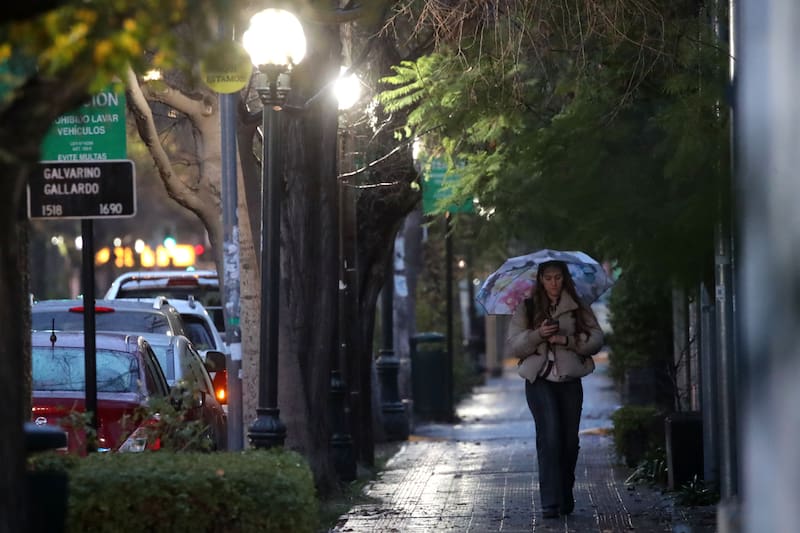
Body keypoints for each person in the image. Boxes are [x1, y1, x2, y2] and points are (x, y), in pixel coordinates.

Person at [505, 260, 604, 518]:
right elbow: (515, 345)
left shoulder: (577, 306)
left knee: (569, 441)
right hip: (539, 381)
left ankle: (565, 492)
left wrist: (567, 340)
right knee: (549, 437)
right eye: (547, 278)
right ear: (540, 280)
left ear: (564, 279)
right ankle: (550, 501)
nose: (553, 283)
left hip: (570, 381)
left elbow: (596, 338)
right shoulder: (527, 307)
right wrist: (538, 334)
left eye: (558, 277)